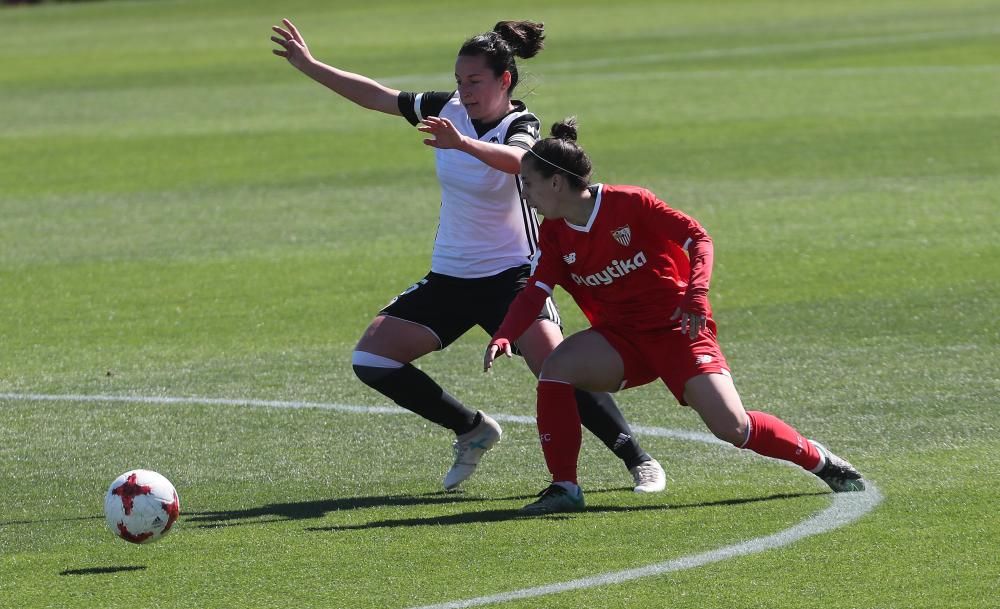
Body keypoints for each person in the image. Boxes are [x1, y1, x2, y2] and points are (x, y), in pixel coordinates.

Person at [270, 20, 665, 492]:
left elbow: (521, 162)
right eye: (459, 81)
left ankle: (638, 459)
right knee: (373, 359)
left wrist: (462, 144)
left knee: (556, 366)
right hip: (451, 277)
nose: (464, 91)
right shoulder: (446, 109)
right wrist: (310, 66)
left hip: (513, 276)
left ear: (504, 80)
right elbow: (376, 96)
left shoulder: (521, 124)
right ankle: (471, 428)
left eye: (474, 81)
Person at [485, 118, 866, 514]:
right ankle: (565, 486)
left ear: (556, 183)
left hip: (679, 330)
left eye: (527, 183)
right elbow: (536, 292)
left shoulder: (631, 203)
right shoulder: (554, 232)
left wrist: (696, 294)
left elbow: (698, 237)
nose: (524, 193)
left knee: (732, 428)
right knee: (555, 369)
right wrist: (505, 333)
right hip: (620, 339)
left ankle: (819, 460)